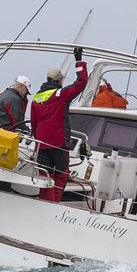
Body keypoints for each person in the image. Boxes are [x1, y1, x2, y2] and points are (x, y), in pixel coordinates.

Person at [31, 48, 89, 202]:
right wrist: (79, 61)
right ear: (58, 81)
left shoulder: (36, 98)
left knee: (45, 175)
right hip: (58, 145)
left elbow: (34, 123)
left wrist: (37, 142)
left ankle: (45, 203)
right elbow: (81, 82)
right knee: (61, 175)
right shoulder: (61, 94)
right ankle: (54, 205)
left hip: (41, 145)